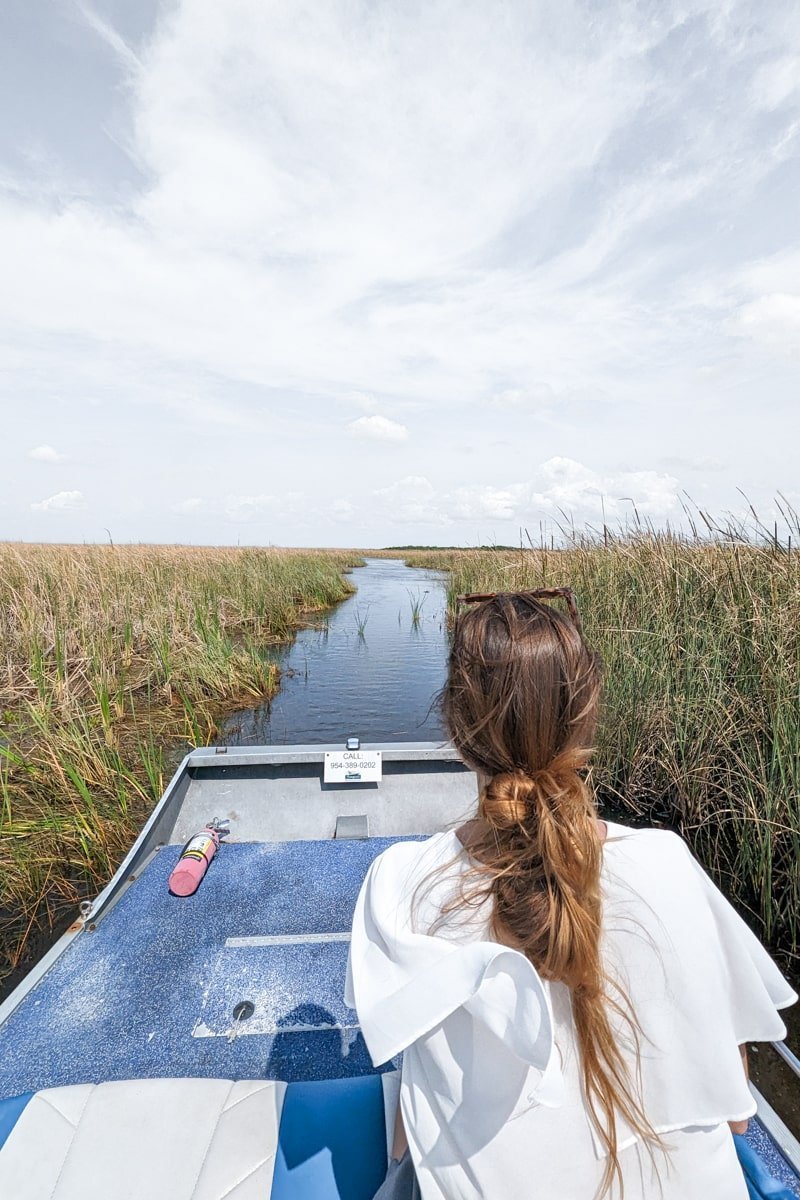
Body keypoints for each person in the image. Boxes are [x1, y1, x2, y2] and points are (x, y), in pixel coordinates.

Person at [345, 590, 797, 1200]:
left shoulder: (399, 883)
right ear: (585, 717)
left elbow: (411, 1105)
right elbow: (738, 1113)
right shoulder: (667, 861)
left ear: (456, 730)